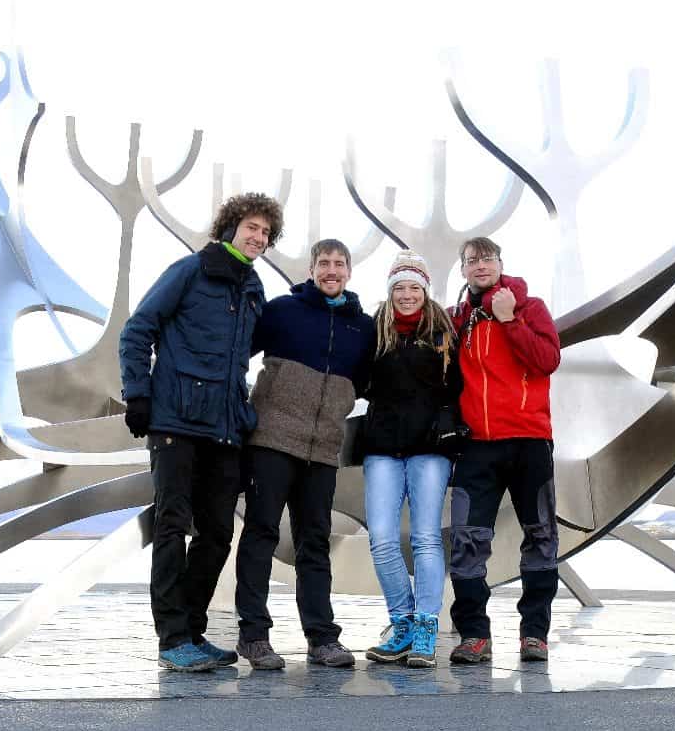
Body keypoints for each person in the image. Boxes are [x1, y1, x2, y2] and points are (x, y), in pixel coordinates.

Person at [118, 192, 284, 672]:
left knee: (217, 533)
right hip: (176, 422)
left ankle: (192, 630)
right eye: (252, 227)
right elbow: (137, 330)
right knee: (172, 525)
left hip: (226, 429)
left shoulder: (253, 289)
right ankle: (172, 639)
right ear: (230, 227)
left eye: (266, 233)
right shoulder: (190, 271)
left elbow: (242, 357)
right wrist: (138, 394)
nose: (258, 237)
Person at [233, 239, 376, 670]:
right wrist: (242, 411)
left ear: (349, 271)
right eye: (324, 263)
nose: (331, 270)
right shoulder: (282, 311)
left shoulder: (363, 328)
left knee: (315, 543)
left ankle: (322, 638)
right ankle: (254, 636)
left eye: (339, 263)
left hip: (323, 451)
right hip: (271, 441)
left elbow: (369, 384)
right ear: (311, 269)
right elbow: (237, 355)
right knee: (261, 534)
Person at [445, 236, 562, 664]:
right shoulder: (458, 319)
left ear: (500, 263)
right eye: (472, 260)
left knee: (541, 535)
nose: (481, 265)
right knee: (467, 541)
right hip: (476, 446)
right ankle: (474, 634)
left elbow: (547, 360)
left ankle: (534, 634)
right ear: (463, 270)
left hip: (529, 440)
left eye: (488, 258)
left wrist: (510, 320)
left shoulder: (531, 308)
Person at [359, 250, 464, 668]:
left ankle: (425, 627)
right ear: (390, 291)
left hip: (430, 449)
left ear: (425, 290)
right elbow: (358, 380)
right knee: (382, 537)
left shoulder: (444, 332)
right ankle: (401, 621)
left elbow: (458, 386)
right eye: (399, 287)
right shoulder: (375, 331)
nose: (406, 295)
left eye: (414, 287)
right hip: (383, 447)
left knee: (425, 537)